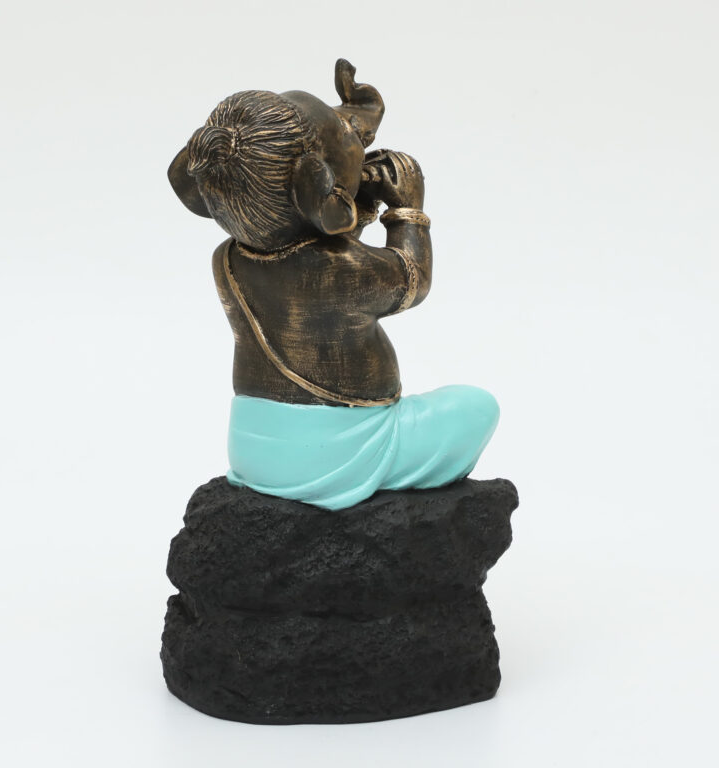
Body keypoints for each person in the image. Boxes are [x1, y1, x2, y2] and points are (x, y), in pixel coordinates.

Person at [168, 60, 499, 510]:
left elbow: (311, 239)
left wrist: (353, 204)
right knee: (476, 407)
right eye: (345, 136)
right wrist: (406, 210)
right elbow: (412, 280)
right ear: (318, 191)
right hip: (340, 451)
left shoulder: (227, 258)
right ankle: (360, 475)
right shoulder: (342, 267)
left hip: (252, 447)